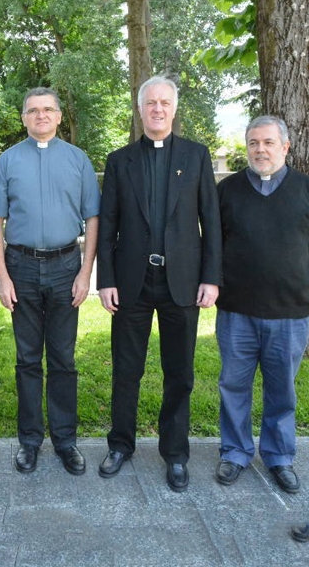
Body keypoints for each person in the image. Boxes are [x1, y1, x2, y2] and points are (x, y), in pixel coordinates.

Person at [97, 75, 221, 492]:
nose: (158, 109)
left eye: (165, 102)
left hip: (181, 282)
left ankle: (176, 453)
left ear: (174, 108)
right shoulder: (120, 160)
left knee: (180, 373)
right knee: (126, 370)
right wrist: (106, 280)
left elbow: (212, 223)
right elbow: (108, 224)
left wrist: (211, 277)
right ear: (140, 108)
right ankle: (120, 445)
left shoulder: (197, 156)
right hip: (132, 281)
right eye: (150, 102)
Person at [0, 87, 100, 475]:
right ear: (23, 118)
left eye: (48, 109)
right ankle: (30, 441)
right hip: (22, 267)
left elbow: (94, 219)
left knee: (64, 359)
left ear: (60, 116)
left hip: (68, 266)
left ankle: (66, 441)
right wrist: (2, 276)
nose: (41, 116)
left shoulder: (78, 160)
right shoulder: (7, 161)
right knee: (28, 358)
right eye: (33, 110)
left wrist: (86, 272)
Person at [215, 116, 309, 495]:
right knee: (233, 385)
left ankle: (279, 456)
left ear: (285, 147)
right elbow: (214, 245)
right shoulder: (229, 190)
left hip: (290, 311)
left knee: (281, 390)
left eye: (269, 143)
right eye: (254, 143)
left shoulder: (305, 189)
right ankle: (235, 452)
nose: (260, 150)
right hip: (237, 309)